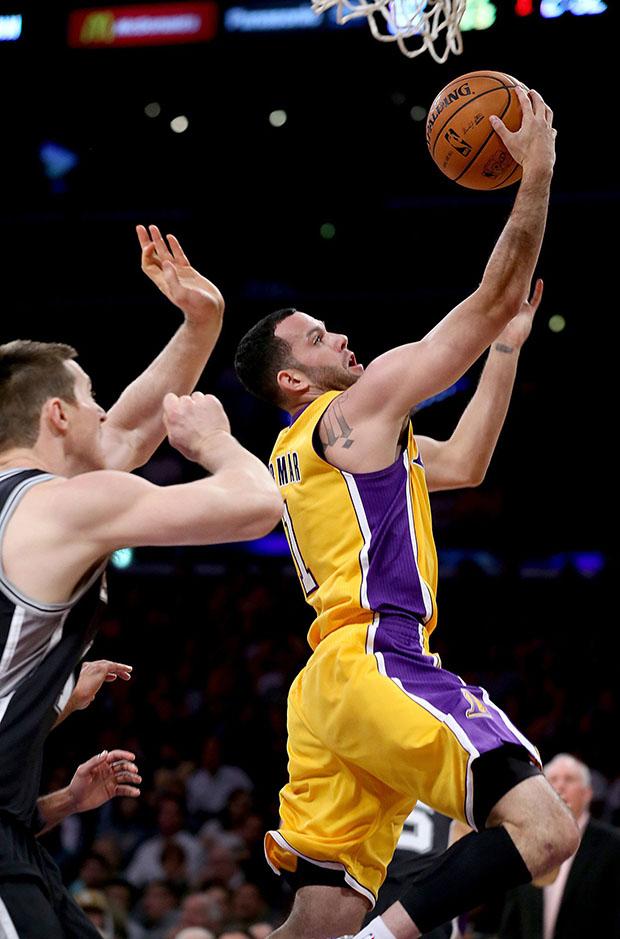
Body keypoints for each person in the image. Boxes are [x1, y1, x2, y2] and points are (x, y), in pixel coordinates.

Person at [233, 87, 579, 939]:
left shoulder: (320, 449)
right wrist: (536, 175)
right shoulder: (352, 414)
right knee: (546, 830)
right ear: (292, 379)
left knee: (316, 918)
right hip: (379, 657)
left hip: (326, 686)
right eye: (318, 337)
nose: (341, 338)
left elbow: (465, 464)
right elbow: (490, 298)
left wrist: (505, 352)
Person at [0, 225, 282, 938]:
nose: (104, 409)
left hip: (16, 832)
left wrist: (202, 322)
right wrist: (215, 442)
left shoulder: (30, 505)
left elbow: (124, 437)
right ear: (56, 415)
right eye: (90, 395)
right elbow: (256, 505)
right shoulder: (62, 506)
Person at [499, 753, 620, 938]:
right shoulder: (525, 845)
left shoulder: (612, 844)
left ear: (587, 793)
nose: (560, 786)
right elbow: (512, 922)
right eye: (553, 780)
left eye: (569, 779)